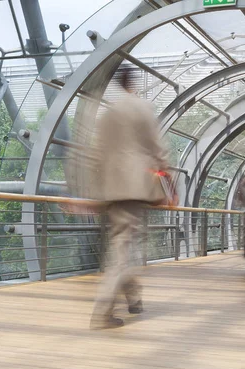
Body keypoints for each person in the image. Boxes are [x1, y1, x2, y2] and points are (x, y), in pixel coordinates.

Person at [89, 70, 169, 329]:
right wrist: (168, 181)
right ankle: (102, 313)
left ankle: (134, 298)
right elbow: (157, 148)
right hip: (135, 187)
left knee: (124, 244)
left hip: (111, 188)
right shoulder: (142, 109)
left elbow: (98, 154)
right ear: (133, 83)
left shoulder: (108, 115)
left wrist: (95, 191)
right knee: (123, 251)